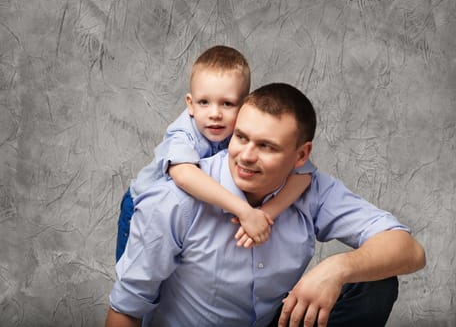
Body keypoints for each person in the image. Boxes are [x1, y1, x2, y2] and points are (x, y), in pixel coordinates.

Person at [105, 83, 426, 327]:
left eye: (266, 146)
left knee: (374, 283)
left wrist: (336, 268)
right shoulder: (176, 201)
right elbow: (127, 307)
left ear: (301, 156)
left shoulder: (312, 189)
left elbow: (410, 251)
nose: (246, 156)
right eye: (241, 138)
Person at [116, 46, 313, 260]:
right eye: (204, 102)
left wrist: (265, 214)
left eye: (227, 103)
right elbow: (183, 176)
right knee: (141, 272)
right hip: (142, 208)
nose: (215, 114)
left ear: (245, 105)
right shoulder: (183, 133)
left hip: (188, 215)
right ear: (190, 104)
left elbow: (304, 175)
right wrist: (245, 212)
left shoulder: (245, 130)